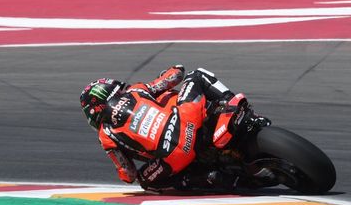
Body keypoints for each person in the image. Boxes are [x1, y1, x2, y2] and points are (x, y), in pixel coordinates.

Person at [79, 65, 270, 191]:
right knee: (197, 74)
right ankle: (233, 105)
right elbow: (175, 75)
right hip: (187, 120)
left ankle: (208, 177)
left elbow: (128, 175)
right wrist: (172, 69)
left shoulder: (106, 136)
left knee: (145, 182)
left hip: (174, 155)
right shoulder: (135, 90)